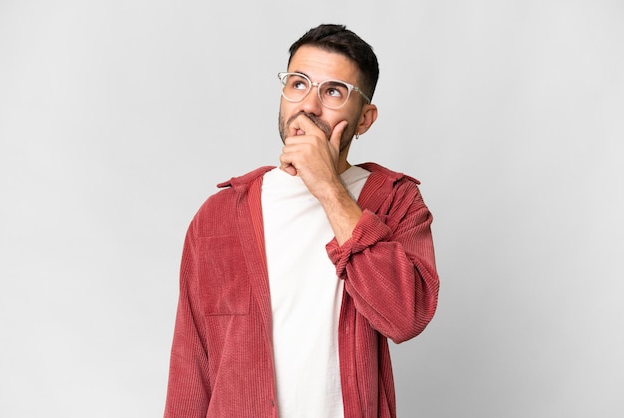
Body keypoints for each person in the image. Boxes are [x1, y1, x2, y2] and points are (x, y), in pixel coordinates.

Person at [164, 24, 440, 418]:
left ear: (365, 119)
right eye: (298, 83)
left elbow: (405, 317)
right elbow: (191, 366)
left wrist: (329, 187)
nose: (308, 105)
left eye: (332, 92)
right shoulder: (218, 216)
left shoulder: (396, 201)